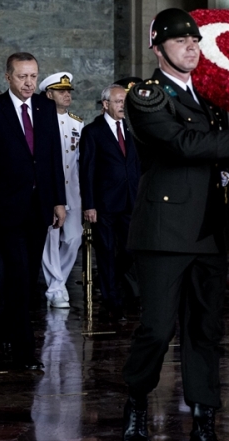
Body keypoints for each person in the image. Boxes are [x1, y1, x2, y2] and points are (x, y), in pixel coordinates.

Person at [120, 8, 229, 441]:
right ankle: (138, 398)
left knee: (205, 328)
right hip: (164, 230)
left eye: (195, 41)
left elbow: (218, 154)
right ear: (158, 49)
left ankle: (203, 411)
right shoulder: (147, 96)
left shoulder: (210, 98)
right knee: (157, 329)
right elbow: (179, 143)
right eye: (181, 42)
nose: (191, 48)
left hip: (207, 227)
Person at [0, 53, 67, 371]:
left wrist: (59, 202)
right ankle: (25, 351)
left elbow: (53, 158)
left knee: (26, 277)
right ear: (8, 77)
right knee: (18, 274)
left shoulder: (45, 107)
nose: (29, 83)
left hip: (38, 208)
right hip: (5, 210)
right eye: (23, 76)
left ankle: (5, 332)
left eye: (34, 76)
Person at [80, 83, 141, 320]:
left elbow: (136, 165)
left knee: (129, 250)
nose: (123, 106)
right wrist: (89, 205)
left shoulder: (132, 129)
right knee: (104, 252)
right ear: (105, 105)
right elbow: (87, 171)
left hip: (130, 202)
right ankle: (112, 300)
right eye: (118, 102)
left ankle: (118, 284)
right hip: (103, 205)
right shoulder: (92, 132)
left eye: (125, 102)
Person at [37, 72, 84, 311]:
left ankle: (59, 283)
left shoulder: (78, 123)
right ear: (48, 94)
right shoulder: (41, 121)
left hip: (73, 191)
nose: (67, 94)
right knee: (51, 240)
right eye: (61, 91)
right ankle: (56, 289)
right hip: (49, 191)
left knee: (73, 238)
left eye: (68, 91)